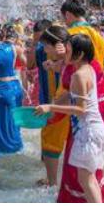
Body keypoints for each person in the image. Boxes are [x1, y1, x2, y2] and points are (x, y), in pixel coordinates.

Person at [35, 35, 104, 203]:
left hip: (88, 133)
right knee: (91, 180)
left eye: (67, 51)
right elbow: (73, 94)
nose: (64, 54)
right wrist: (53, 103)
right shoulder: (89, 69)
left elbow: (81, 109)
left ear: (80, 54)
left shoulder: (78, 76)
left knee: (86, 181)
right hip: (96, 130)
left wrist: (51, 108)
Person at [33, 22, 69, 186]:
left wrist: (52, 106)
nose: (45, 50)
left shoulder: (72, 62)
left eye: (46, 46)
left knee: (50, 145)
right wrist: (56, 64)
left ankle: (52, 183)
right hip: (71, 109)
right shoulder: (72, 58)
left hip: (66, 108)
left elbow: (73, 88)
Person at [0, 24, 24, 154]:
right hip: (13, 87)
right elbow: (25, 63)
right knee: (13, 119)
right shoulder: (15, 48)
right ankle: (15, 145)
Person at [61, 0, 104, 69]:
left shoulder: (72, 34)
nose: (63, 21)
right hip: (98, 75)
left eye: (63, 17)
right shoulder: (98, 34)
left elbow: (66, 61)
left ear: (67, 14)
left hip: (80, 77)